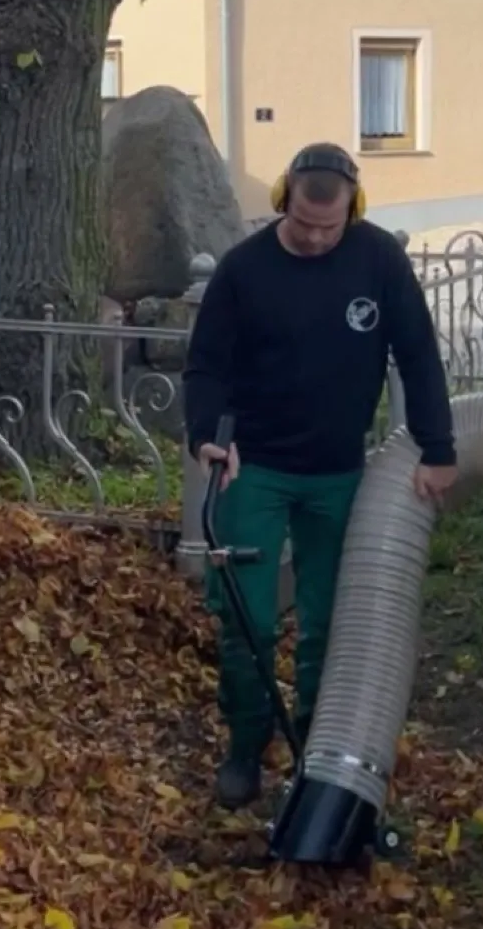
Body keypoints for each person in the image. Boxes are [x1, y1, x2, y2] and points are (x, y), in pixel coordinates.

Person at [182, 141, 459, 809]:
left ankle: (317, 753)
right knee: (245, 616)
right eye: (303, 224)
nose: (313, 237)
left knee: (329, 623)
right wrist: (208, 438)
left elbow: (417, 354)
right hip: (256, 466)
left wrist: (438, 445)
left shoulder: (379, 261)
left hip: (338, 473)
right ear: (284, 200)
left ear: (352, 212)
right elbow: (206, 366)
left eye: (328, 228)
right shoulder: (244, 270)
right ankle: (244, 748)